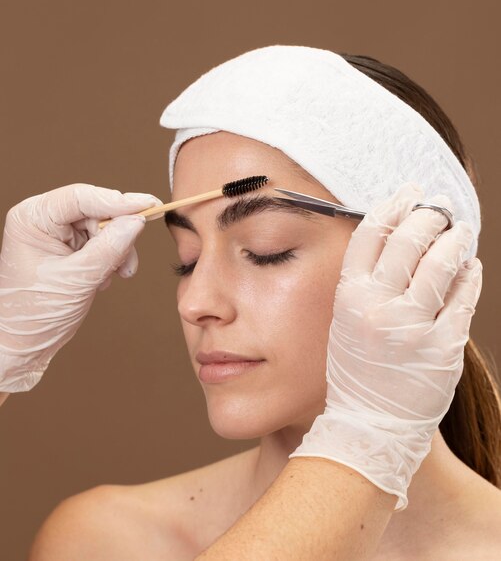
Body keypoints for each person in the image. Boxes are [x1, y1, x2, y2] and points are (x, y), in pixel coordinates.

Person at [1, 47, 499, 560]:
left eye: (266, 250)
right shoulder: (109, 541)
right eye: (187, 258)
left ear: (421, 258)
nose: (195, 303)